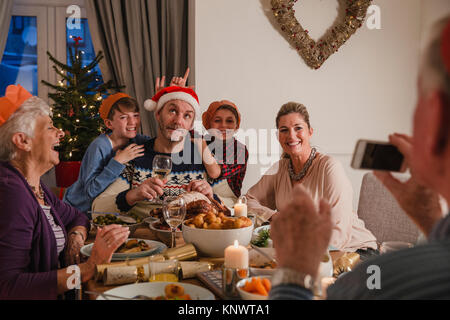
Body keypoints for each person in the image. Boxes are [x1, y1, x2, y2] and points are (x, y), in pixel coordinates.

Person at [269, 16, 450, 300]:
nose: (291, 135)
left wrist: (293, 273)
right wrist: (432, 223)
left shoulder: (380, 283)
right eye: (283, 130)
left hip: (350, 258)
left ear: (434, 113)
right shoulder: (283, 166)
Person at [0, 85, 130, 299]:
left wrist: (76, 237)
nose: (61, 132)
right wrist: (89, 268)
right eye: (50, 127)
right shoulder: (12, 194)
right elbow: (9, 287)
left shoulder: (35, 187)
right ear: (23, 141)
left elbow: (76, 216)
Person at [246, 102, 377, 253]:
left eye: (298, 128)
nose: (291, 135)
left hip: (353, 252)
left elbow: (337, 235)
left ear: (310, 132)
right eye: (284, 130)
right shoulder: (280, 168)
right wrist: (274, 216)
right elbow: (247, 200)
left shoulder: (329, 167)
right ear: (278, 136)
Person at [92, 86, 221, 215]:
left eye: (187, 115)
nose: (178, 121)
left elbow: (233, 203)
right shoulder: (135, 155)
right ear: (158, 114)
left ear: (191, 124)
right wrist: (133, 195)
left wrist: (211, 198)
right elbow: (98, 208)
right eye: (172, 111)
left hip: (192, 234)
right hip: (144, 234)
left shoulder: (204, 156)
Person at [63, 93, 149, 217]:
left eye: (136, 116)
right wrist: (117, 162)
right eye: (124, 117)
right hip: (80, 212)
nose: (132, 122)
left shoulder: (137, 141)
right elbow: (91, 191)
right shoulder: (99, 146)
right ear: (109, 124)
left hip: (107, 210)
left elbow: (160, 144)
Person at [202, 100, 249, 207]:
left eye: (229, 121)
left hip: (228, 203)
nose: (223, 125)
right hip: (202, 198)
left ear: (237, 126)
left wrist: (202, 146)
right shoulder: (203, 142)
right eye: (217, 120)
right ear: (208, 124)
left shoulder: (240, 150)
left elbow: (215, 173)